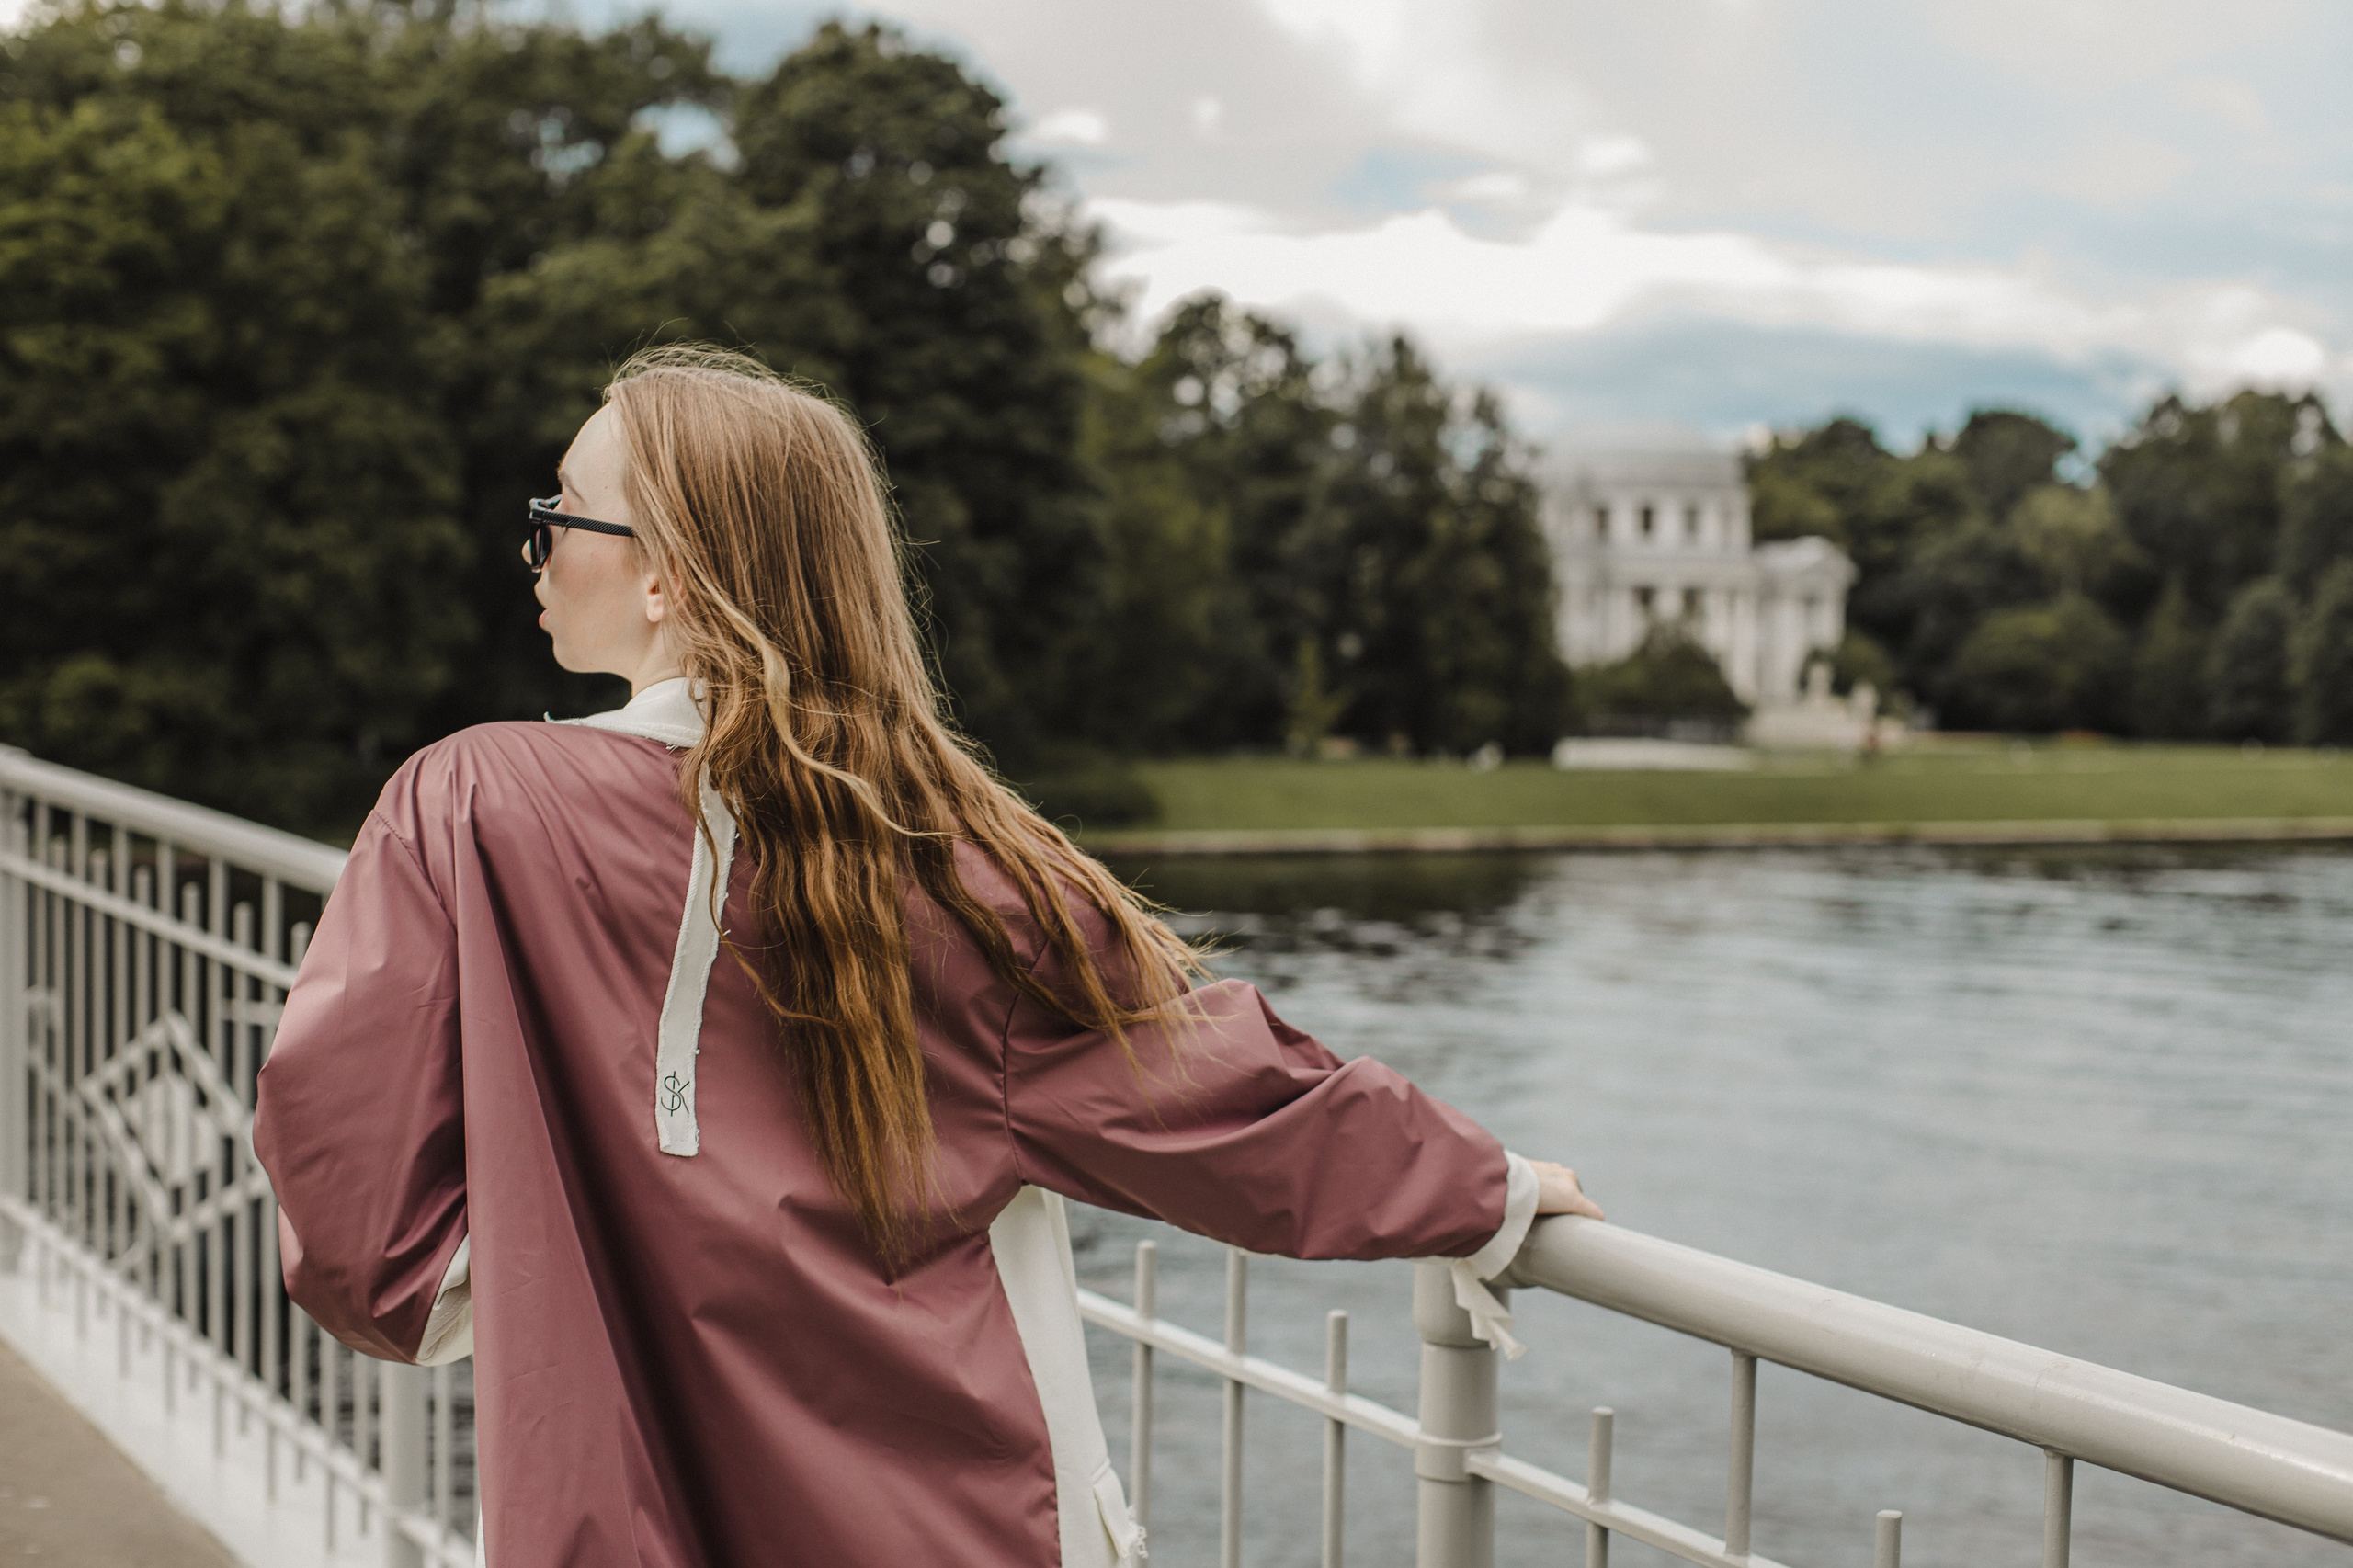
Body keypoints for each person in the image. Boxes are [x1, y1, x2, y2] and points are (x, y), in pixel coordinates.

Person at [251, 345, 1603, 1568]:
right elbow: (1221, 1095)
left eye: (558, 514)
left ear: (664, 571)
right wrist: (1488, 1188)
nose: (535, 550)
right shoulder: (945, 863)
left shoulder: (465, 810)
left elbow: (362, 1238)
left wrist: (575, 1248)